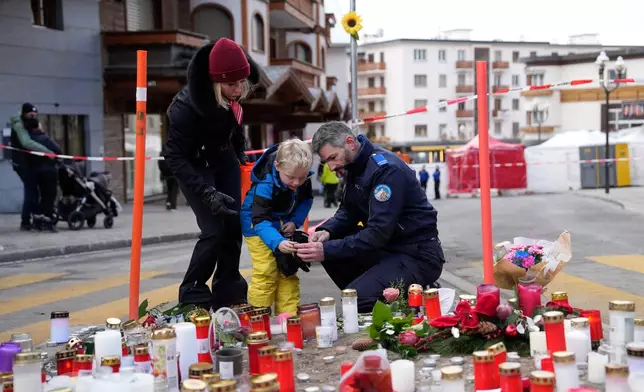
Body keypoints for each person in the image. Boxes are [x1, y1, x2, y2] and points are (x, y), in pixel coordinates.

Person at [295, 122, 445, 313]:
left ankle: (416, 295)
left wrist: (326, 249)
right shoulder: (354, 166)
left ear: (349, 142)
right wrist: (326, 231)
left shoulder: (385, 170)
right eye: (327, 162)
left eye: (333, 157)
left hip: (417, 254)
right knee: (331, 248)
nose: (331, 167)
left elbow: (377, 233)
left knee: (357, 299)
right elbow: (348, 211)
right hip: (389, 249)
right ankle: (374, 290)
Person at [164, 38, 260, 311]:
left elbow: (236, 129)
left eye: (242, 82)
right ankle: (192, 292)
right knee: (214, 230)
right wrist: (205, 192)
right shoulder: (185, 108)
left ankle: (229, 290)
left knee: (233, 226)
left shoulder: (233, 98)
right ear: (216, 82)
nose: (239, 89)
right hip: (192, 165)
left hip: (223, 158)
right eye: (232, 84)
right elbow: (175, 157)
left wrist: (242, 156)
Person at [241, 139, 314, 315]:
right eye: (291, 177)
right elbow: (259, 220)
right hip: (257, 227)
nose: (297, 182)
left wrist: (295, 222)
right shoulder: (265, 185)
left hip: (282, 225)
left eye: (302, 177)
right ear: (277, 166)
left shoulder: (302, 178)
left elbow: (306, 200)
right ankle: (260, 315)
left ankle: (287, 317)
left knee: (287, 270)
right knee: (267, 271)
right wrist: (277, 242)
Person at [9, 103, 53, 231]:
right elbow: (26, 142)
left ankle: (33, 218)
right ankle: (26, 221)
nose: (33, 117)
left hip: (28, 163)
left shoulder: (28, 122)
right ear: (24, 113)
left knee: (33, 191)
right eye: (31, 114)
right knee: (31, 191)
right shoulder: (19, 124)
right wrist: (47, 151)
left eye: (35, 114)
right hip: (22, 163)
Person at [27, 125, 62, 232]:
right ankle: (48, 222)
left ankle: (37, 222)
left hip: (35, 172)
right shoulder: (44, 138)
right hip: (48, 171)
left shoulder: (29, 140)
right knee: (49, 196)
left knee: (39, 197)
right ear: (38, 127)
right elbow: (58, 150)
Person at [158, 145, 178, 211]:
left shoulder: (161, 154)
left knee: (169, 190)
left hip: (166, 175)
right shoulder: (171, 153)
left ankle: (168, 203)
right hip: (173, 175)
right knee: (174, 191)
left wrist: (163, 173)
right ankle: (173, 206)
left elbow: (160, 165)